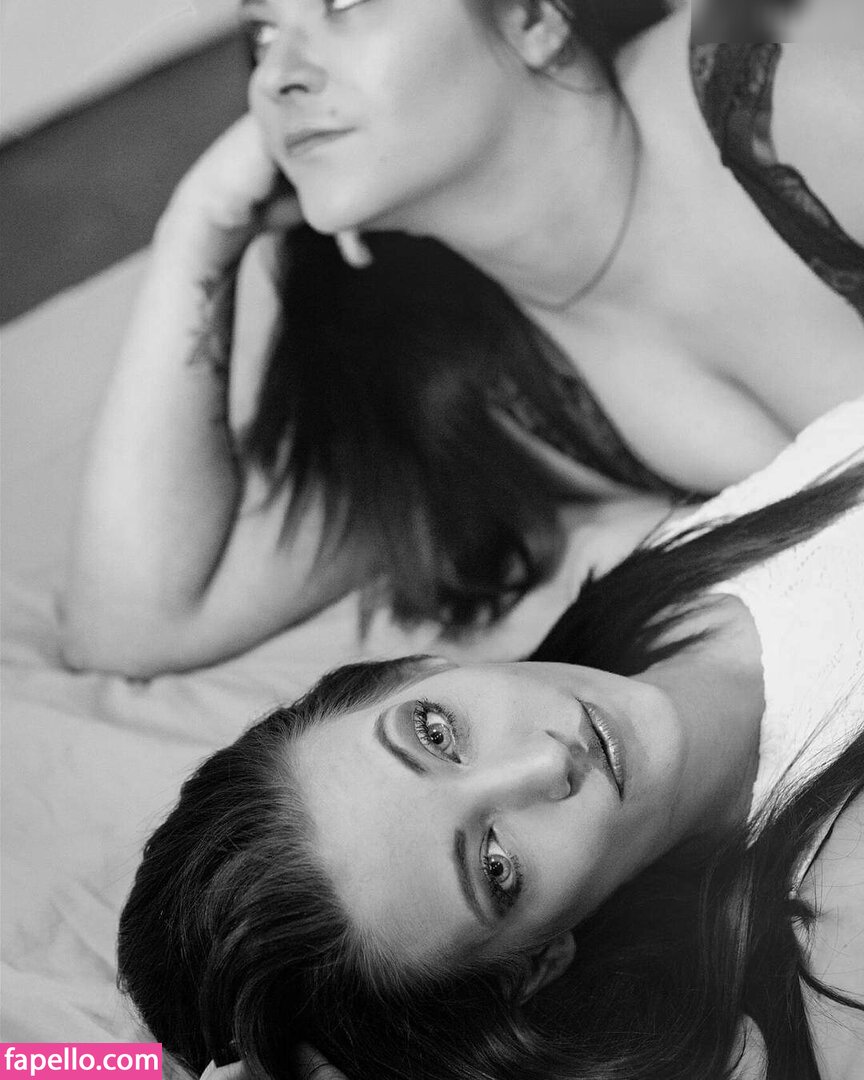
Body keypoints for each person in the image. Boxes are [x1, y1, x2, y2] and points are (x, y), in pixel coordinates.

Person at [61, 3, 864, 676]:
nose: (277, 77)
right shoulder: (500, 393)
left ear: (531, 17)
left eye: (346, 2)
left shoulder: (791, 77)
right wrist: (197, 230)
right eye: (263, 35)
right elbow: (134, 625)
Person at [117, 397, 864, 1080]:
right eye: (497, 867)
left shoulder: (665, 579)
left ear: (415, 669)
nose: (547, 758)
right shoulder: (841, 907)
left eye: (436, 732)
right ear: (534, 964)